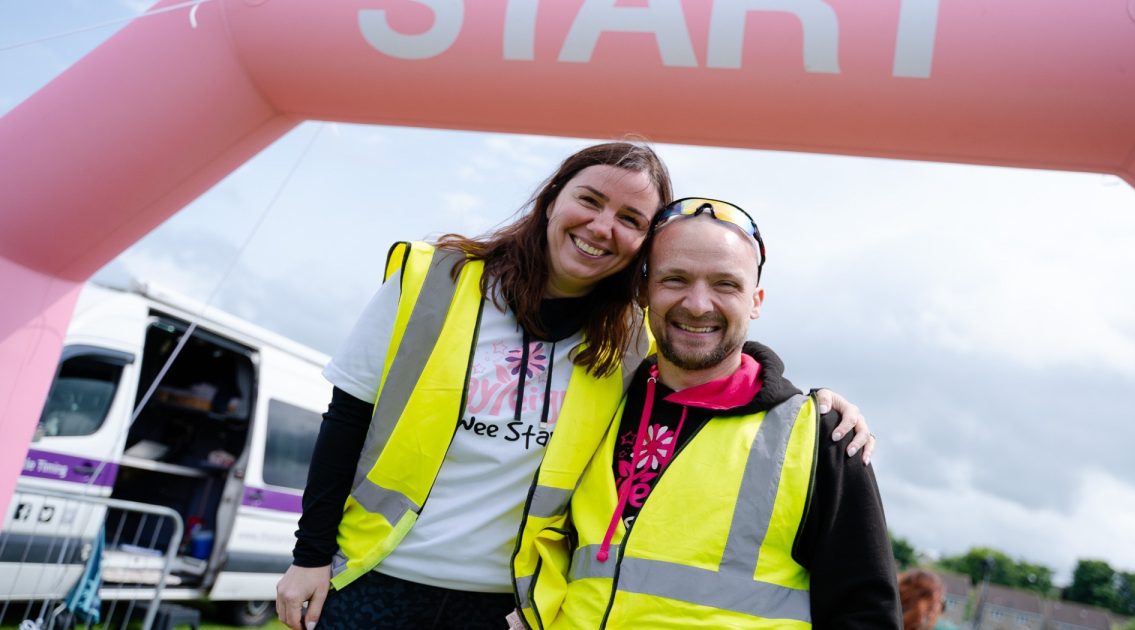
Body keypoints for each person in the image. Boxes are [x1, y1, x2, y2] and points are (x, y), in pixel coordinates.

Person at [275, 145, 877, 630]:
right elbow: (346, 419)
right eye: (589, 200)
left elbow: (716, 347)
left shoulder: (634, 338)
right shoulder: (435, 282)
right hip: (378, 576)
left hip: (504, 603)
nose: (601, 226)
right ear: (551, 200)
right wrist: (309, 557)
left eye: (630, 220)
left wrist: (817, 407)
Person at [513, 197, 899, 628]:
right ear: (643, 290)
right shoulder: (596, 396)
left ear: (756, 300)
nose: (698, 304)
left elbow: (866, 614)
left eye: (725, 285)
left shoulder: (821, 436)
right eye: (675, 279)